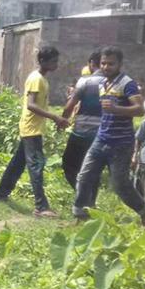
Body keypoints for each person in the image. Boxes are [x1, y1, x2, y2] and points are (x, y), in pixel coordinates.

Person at [73, 46, 145, 226]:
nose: (106, 67)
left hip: (121, 144)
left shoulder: (127, 84)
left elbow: (140, 110)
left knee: (120, 185)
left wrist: (117, 109)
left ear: (120, 64)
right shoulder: (103, 83)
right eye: (103, 63)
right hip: (101, 139)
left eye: (111, 63)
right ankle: (80, 215)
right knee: (84, 176)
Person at [0, 46, 69, 217]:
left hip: (32, 127)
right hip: (31, 128)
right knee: (36, 166)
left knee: (17, 164)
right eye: (53, 61)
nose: (56, 64)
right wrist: (55, 117)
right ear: (43, 61)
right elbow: (31, 104)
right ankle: (41, 207)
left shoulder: (41, 78)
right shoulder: (36, 79)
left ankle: (1, 193)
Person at [61, 55, 103, 190]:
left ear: (91, 63)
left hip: (82, 131)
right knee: (93, 167)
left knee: (69, 163)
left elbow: (70, 105)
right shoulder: (114, 82)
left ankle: (81, 192)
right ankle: (89, 199)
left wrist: (62, 120)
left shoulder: (85, 81)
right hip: (103, 133)